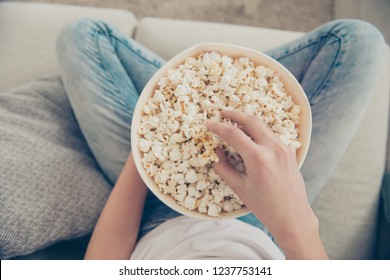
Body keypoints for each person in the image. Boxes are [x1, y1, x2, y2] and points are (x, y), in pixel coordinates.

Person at [56, 18, 385, 260]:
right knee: (359, 40)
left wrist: (147, 142)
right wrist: (291, 218)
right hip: (272, 220)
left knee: (82, 36)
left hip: (154, 204)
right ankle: (234, 82)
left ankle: (206, 79)